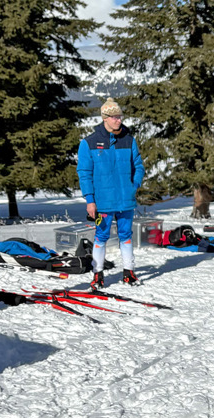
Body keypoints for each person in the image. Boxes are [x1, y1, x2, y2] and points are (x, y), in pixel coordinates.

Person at [77, 98, 145, 288]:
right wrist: (90, 200)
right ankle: (97, 274)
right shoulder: (89, 143)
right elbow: (84, 173)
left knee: (126, 235)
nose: (118, 120)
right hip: (103, 202)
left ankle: (129, 272)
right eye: (114, 117)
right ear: (105, 118)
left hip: (126, 200)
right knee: (101, 236)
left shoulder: (129, 140)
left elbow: (138, 166)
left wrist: (134, 185)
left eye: (120, 116)